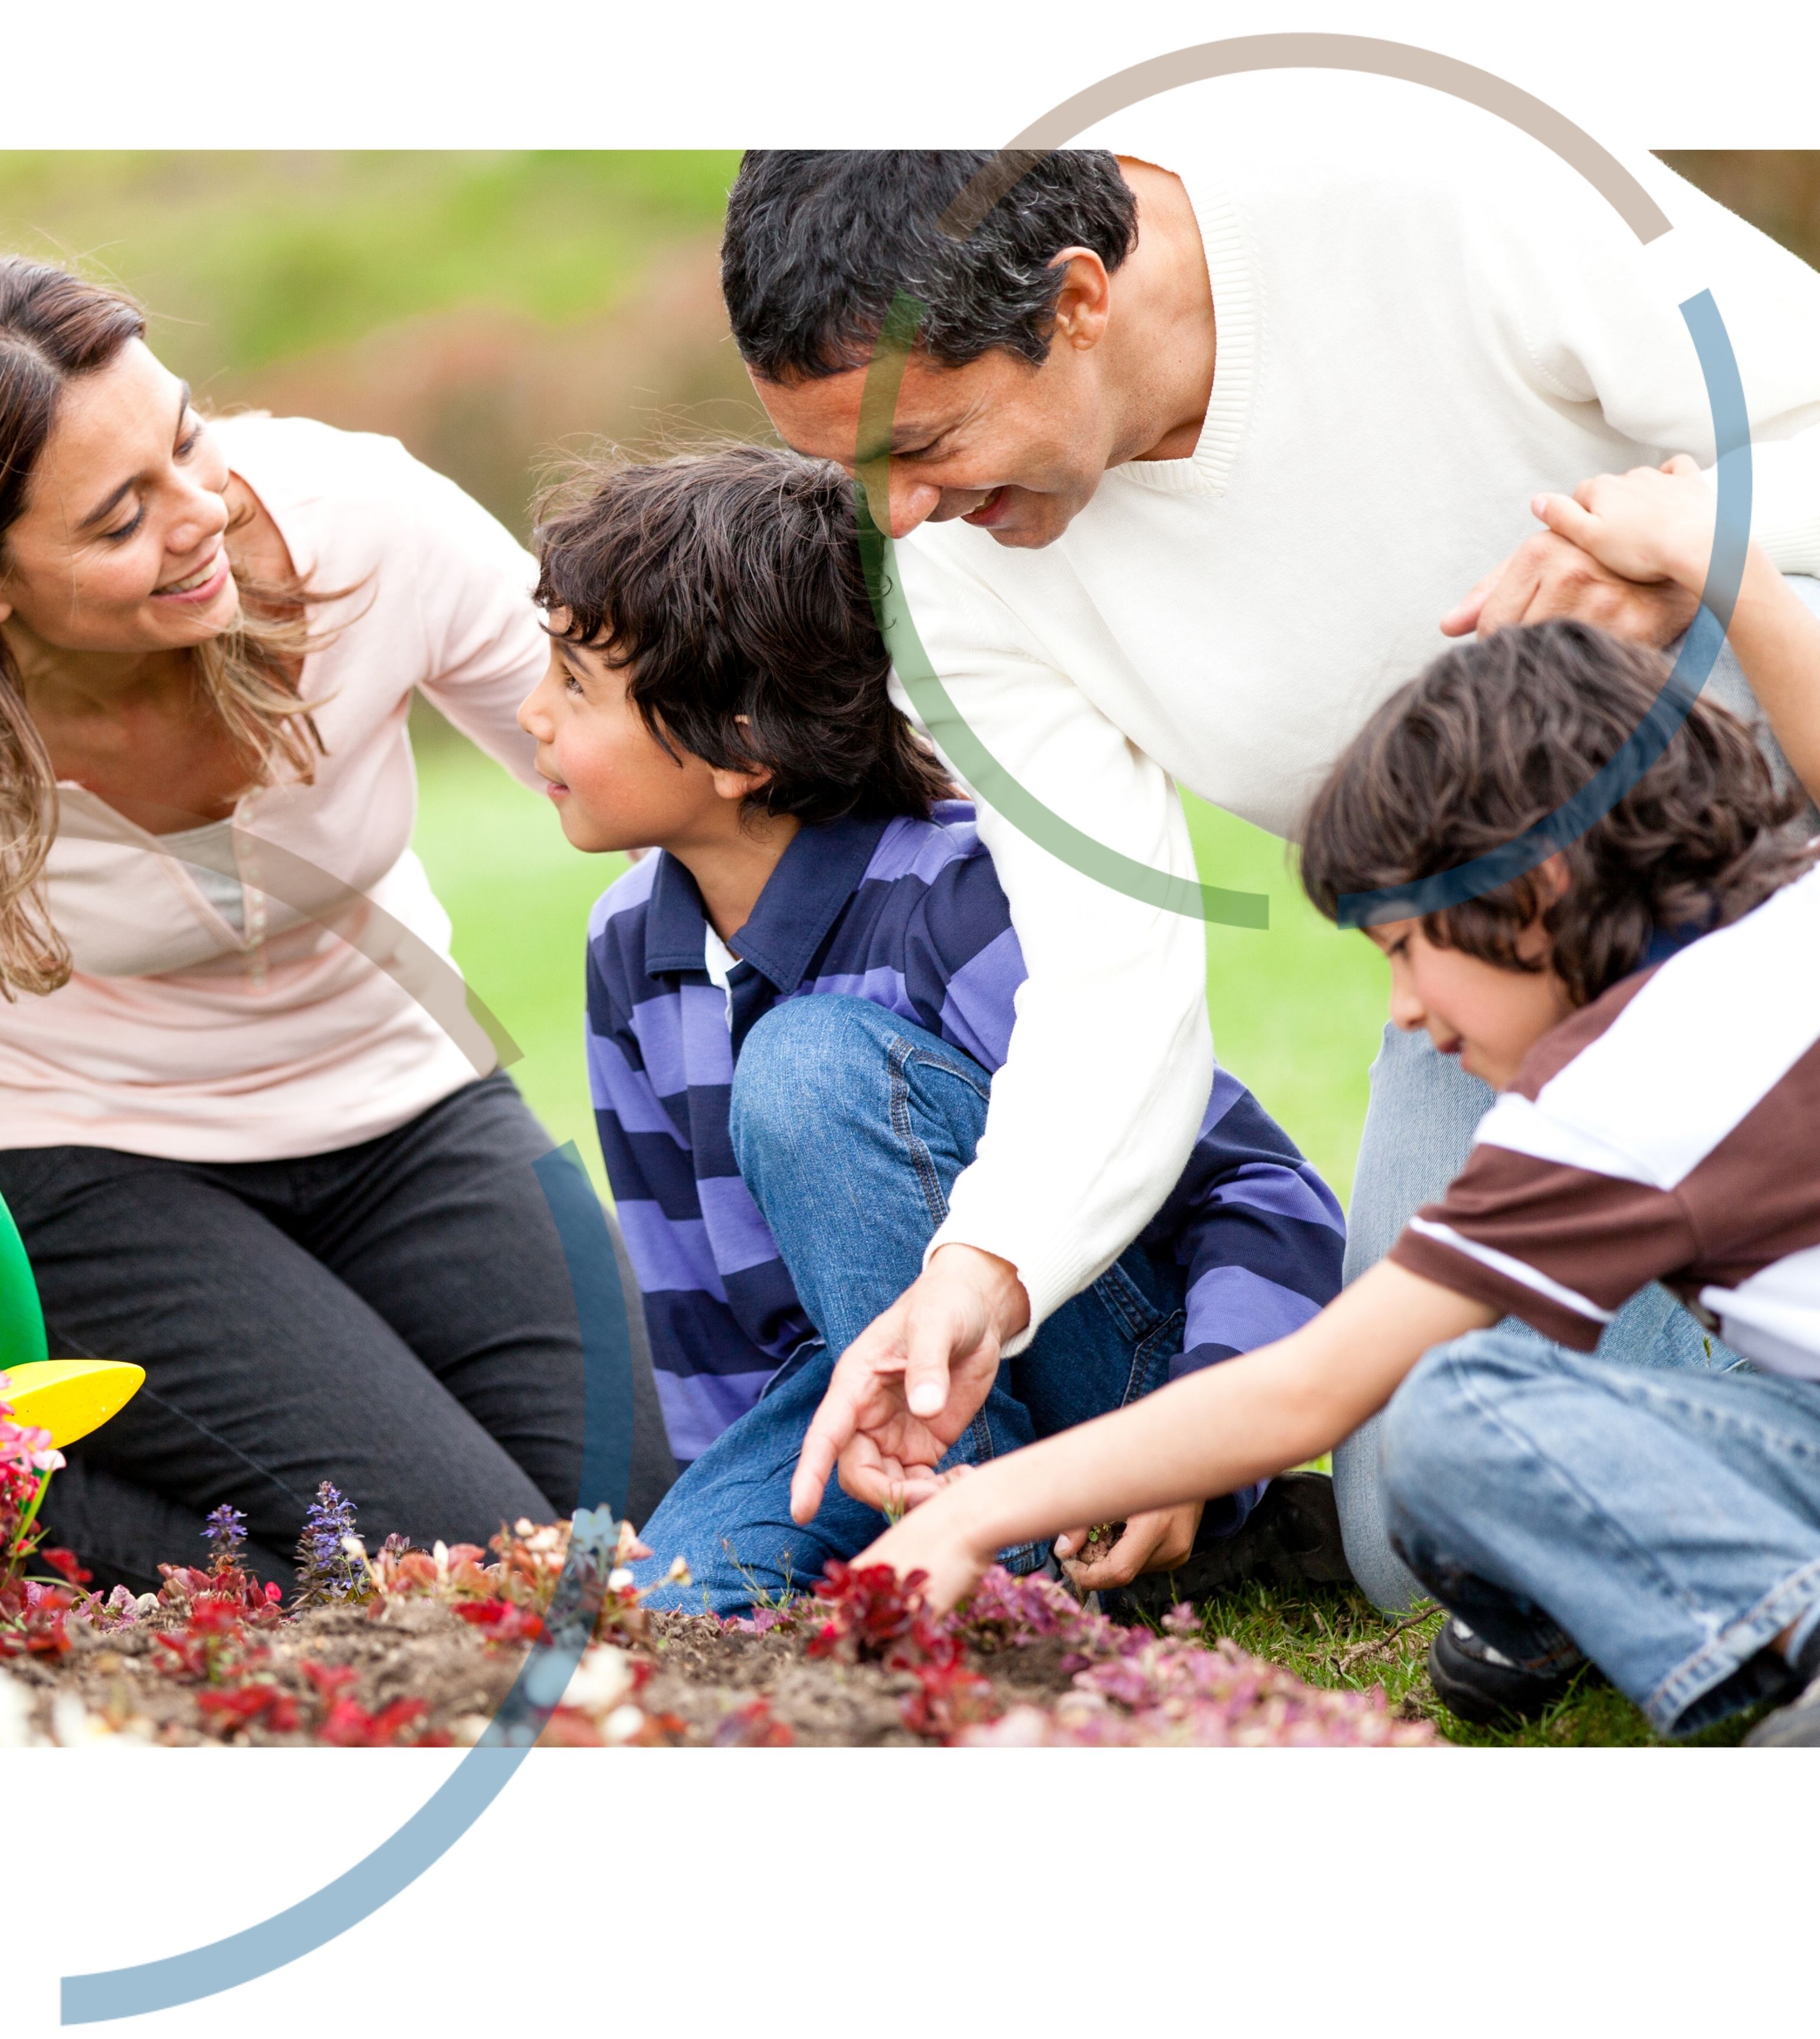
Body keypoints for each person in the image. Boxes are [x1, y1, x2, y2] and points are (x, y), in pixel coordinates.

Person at [718, 126, 1820, 1602]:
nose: (893, 517)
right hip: (1506, 942)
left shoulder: (1434, 185)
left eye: (918, 446)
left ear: (1076, 301)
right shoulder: (945, 581)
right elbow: (1108, 977)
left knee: (1679, 713)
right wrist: (984, 1268)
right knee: (1423, 1546)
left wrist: (1694, 537)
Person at [856, 462, 1820, 1748]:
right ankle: (1735, 1627)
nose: (1403, 1008)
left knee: (1457, 1414)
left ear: (1541, 882)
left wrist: (974, 1507)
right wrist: (1716, 557)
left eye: (1407, 946)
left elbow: (1309, 1395)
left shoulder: (1621, 1094)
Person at [0, 255, 669, 1588]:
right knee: (477, 1575)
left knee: (635, 1540)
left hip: (405, 1106)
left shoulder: (361, 526)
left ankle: (28, 1490)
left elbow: (617, 743)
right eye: (121, 518)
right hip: (79, 1158)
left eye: (187, 441)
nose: (199, 515)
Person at [523, 444, 1347, 1614]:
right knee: (658, 1615)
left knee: (807, 1070)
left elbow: (1267, 1198)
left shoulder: (959, 901)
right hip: (854, 1415)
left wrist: (1202, 1442)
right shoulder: (630, 947)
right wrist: (723, 1503)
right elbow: (702, 1317)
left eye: (573, 683)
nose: (529, 715)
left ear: (740, 748)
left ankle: (1012, 1593)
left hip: (1110, 1395)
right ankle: (986, 1576)